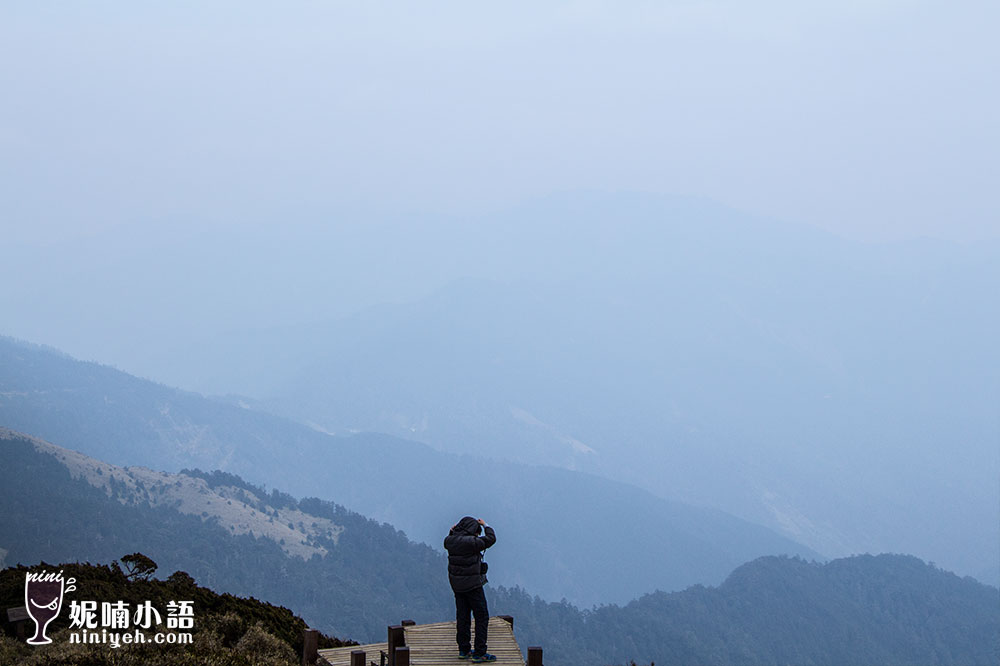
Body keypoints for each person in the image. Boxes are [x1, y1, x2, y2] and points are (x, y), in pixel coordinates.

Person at [444, 516, 497, 662]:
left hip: (457, 586)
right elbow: (491, 539)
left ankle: (463, 650)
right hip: (473, 586)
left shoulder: (449, 541)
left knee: (463, 617)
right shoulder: (472, 543)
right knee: (481, 616)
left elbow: (450, 537)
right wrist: (486, 524)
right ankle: (479, 653)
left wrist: (452, 531)